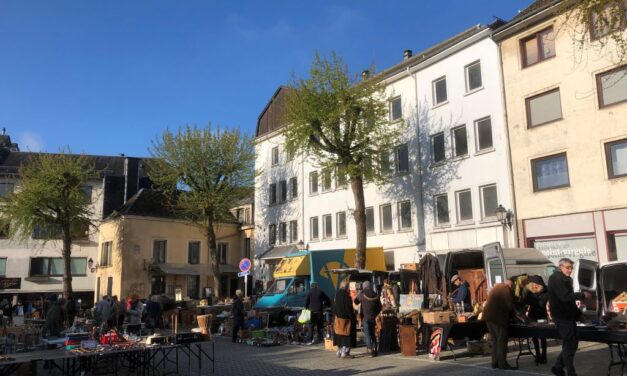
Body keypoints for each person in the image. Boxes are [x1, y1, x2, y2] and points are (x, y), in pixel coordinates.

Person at [548, 258, 591, 376]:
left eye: (571, 268)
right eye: (568, 268)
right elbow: (565, 297)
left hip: (568, 316)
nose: (570, 270)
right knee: (570, 344)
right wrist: (582, 294)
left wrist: (579, 315)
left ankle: (557, 368)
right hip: (561, 317)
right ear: (560, 267)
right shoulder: (555, 278)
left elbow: (570, 302)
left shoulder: (567, 279)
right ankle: (571, 372)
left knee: (572, 344)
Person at [483, 280, 517, 370]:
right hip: (498, 319)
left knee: (495, 341)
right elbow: (509, 304)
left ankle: (495, 362)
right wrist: (514, 315)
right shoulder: (506, 289)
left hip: (488, 317)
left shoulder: (495, 288)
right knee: (501, 341)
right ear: (510, 285)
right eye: (512, 287)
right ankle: (503, 364)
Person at [523, 275, 549, 364]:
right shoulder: (530, 292)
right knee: (534, 336)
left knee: (542, 337)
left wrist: (534, 298)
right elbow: (525, 301)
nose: (535, 286)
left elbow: (541, 304)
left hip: (542, 316)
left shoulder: (545, 292)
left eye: (536, 284)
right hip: (532, 316)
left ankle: (544, 355)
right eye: (533, 284)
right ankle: (537, 355)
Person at [355, 281, 381, 357]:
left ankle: (370, 349)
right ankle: (375, 349)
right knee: (372, 333)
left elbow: (356, 302)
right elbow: (380, 307)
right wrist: (375, 314)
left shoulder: (362, 293)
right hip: (373, 317)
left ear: (364, 286)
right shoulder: (375, 294)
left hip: (365, 317)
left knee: (367, 334)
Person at [333, 280, 355, 359]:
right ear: (346, 286)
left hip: (338, 318)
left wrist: (334, 316)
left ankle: (338, 351)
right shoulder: (346, 296)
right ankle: (344, 353)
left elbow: (334, 307)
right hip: (345, 319)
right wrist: (352, 317)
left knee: (339, 335)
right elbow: (348, 308)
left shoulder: (336, 294)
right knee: (346, 335)